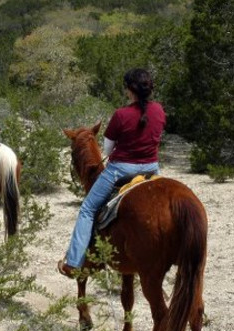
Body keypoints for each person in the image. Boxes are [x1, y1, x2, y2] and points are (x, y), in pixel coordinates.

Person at [58, 68, 166, 278]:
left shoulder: (121, 114)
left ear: (129, 90)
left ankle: (73, 262)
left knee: (88, 209)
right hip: (153, 168)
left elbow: (107, 150)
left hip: (121, 170)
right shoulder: (159, 110)